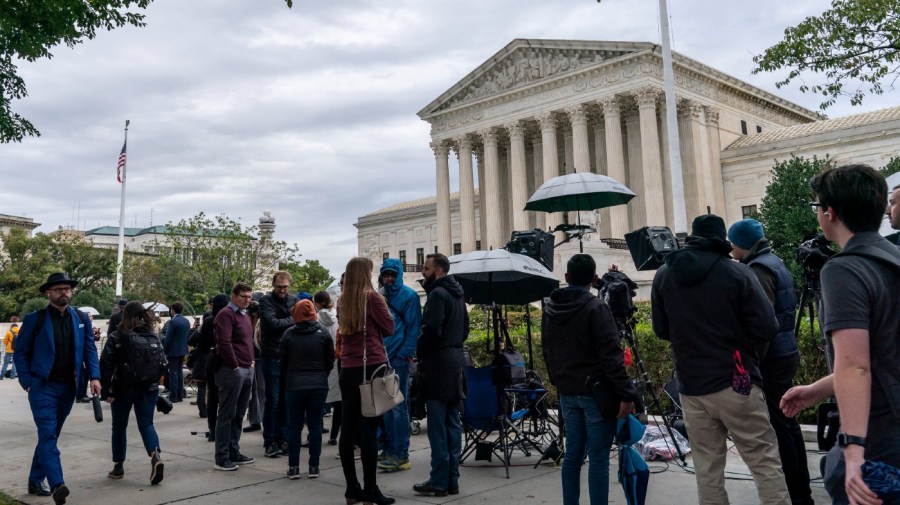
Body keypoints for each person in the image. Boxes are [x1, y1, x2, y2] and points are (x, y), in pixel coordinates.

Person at [781, 164, 900, 505]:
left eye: (816, 205)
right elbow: (883, 352)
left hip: (878, 438)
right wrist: (818, 389)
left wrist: (852, 448)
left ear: (829, 213)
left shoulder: (844, 269)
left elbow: (856, 366)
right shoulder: (894, 258)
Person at [651, 215, 789, 505]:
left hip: (692, 386)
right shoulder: (737, 273)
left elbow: (661, 330)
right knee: (764, 463)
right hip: (738, 382)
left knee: (707, 470)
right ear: (722, 240)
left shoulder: (664, 275)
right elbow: (767, 326)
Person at [728, 218, 814, 505]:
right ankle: (802, 493)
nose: (730, 247)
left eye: (732, 242)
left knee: (780, 430)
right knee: (788, 425)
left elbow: (761, 323)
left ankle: (796, 494)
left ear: (742, 243)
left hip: (772, 357)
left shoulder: (757, 270)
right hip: (785, 351)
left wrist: (752, 363)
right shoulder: (772, 261)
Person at [542, 254, 639, 505]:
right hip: (595, 392)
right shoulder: (596, 308)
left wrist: (558, 381)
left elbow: (547, 351)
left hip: (567, 391)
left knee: (573, 456)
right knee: (598, 458)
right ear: (595, 279)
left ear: (566, 278)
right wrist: (627, 393)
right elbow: (611, 357)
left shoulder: (550, 309)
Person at [14, 272, 102, 505]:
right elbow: (20, 352)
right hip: (42, 388)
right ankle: (57, 484)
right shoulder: (36, 319)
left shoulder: (81, 317)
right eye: (58, 289)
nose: (64, 292)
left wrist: (94, 376)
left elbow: (89, 350)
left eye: (67, 289)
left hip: (68, 388)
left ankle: (35, 480)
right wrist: (28, 382)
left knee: (49, 437)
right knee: (48, 435)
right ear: (48, 293)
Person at [337, 257, 395, 505]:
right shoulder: (372, 298)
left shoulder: (342, 301)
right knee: (369, 429)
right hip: (370, 366)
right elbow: (389, 327)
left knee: (348, 429)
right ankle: (371, 489)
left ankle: (352, 489)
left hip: (348, 367)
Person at [413, 253, 467, 498]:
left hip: (439, 363)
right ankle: (451, 479)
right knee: (452, 423)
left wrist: (420, 350)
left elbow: (431, 330)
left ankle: (439, 480)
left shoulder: (437, 294)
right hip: (455, 361)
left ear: (439, 271)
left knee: (438, 426)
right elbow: (464, 329)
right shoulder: (458, 293)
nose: (422, 272)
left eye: (426, 268)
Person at [99, 301, 167, 484]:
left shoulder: (117, 336)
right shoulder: (153, 336)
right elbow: (162, 363)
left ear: (125, 315)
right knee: (146, 424)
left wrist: (106, 390)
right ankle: (155, 455)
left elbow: (106, 364)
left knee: (119, 427)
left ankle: (118, 466)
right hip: (148, 388)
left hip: (123, 388)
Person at [280, 299, 334, 480]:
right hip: (318, 384)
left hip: (294, 384)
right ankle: (314, 467)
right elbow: (330, 360)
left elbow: (283, 362)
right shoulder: (323, 333)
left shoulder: (288, 334)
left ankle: (293, 467)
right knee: (315, 425)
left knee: (294, 426)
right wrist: (321, 375)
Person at [377, 258, 422, 473]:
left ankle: (401, 453)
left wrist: (404, 354)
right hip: (383, 358)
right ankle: (390, 448)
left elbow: (414, 329)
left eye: (392, 275)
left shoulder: (409, 296)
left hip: (398, 359)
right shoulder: (381, 295)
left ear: (399, 274)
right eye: (386, 274)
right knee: (386, 406)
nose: (389, 278)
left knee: (397, 407)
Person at [213, 282, 257, 471]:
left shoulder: (244, 315)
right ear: (233, 295)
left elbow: (247, 341)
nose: (247, 300)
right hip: (231, 371)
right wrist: (235, 366)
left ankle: (233, 450)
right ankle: (222, 456)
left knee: (239, 414)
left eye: (249, 297)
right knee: (227, 414)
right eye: (243, 297)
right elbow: (224, 343)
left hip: (247, 368)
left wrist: (251, 362)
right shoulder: (226, 314)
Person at [258, 271, 299, 457]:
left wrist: (287, 322)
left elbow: (281, 323)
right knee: (273, 401)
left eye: (285, 287)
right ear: (273, 285)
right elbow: (272, 324)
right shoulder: (266, 301)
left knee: (286, 401)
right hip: (271, 355)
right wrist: (293, 319)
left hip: (288, 356)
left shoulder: (294, 300)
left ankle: (282, 439)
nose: (282, 290)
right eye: (279, 286)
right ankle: (270, 441)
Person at [200, 294, 230, 441]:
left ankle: (212, 429)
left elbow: (203, 345)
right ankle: (223, 430)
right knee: (226, 398)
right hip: (225, 361)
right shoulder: (229, 319)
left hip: (211, 360)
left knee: (212, 397)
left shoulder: (208, 321)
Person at [314, 290, 342, 446]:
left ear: (317, 303)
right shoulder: (337, 316)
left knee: (318, 401)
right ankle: (334, 435)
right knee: (339, 402)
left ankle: (317, 432)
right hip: (337, 361)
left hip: (321, 363)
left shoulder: (316, 319)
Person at [163, 301, 190, 403]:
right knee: (179, 372)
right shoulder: (186, 321)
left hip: (173, 350)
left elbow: (168, 338)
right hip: (183, 349)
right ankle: (179, 395)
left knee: (173, 373)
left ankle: (173, 395)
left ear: (173, 310)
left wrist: (165, 350)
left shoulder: (173, 322)